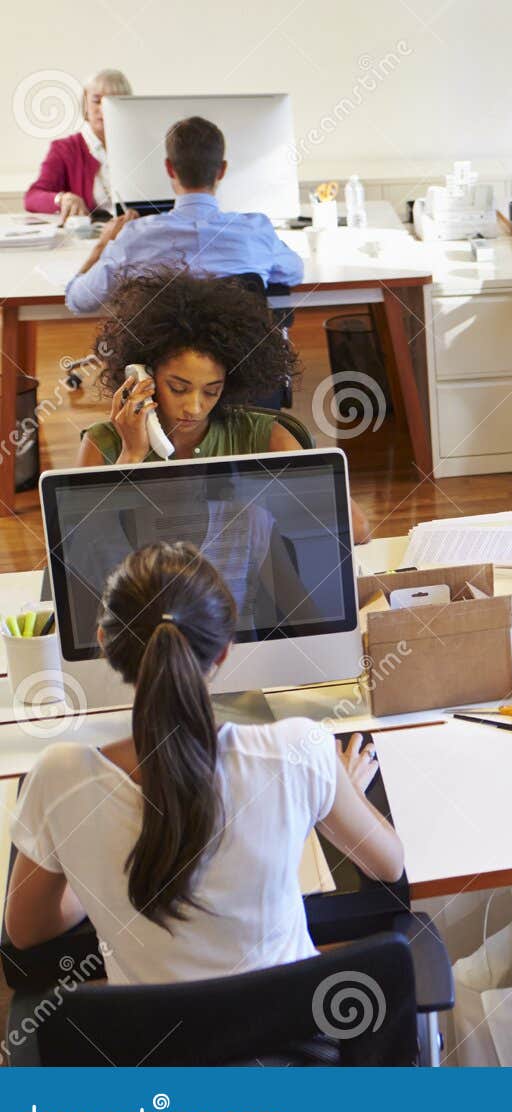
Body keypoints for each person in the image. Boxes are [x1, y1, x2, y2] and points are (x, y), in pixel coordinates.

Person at [5, 542, 404, 983]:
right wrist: (331, 786)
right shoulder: (299, 752)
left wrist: (89, 870)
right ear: (224, 650)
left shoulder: (59, 779)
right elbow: (389, 866)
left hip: (153, 1049)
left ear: (104, 644)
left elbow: (26, 931)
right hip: (293, 1042)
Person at [75, 270, 373, 543]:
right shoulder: (105, 444)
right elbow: (76, 551)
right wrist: (132, 454)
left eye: (211, 391)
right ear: (144, 377)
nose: (194, 407)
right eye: (178, 388)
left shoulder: (266, 436)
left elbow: (357, 528)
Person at [64, 116, 304, 315]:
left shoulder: (133, 239)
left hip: (160, 371)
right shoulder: (256, 231)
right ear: (222, 170)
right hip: (244, 368)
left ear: (169, 168)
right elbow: (294, 272)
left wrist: (102, 246)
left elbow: (79, 301)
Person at [24, 69, 132, 222]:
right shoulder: (65, 149)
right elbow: (32, 197)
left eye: (112, 101)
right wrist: (62, 199)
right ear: (85, 105)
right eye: (96, 101)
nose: (103, 108)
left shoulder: (139, 146)